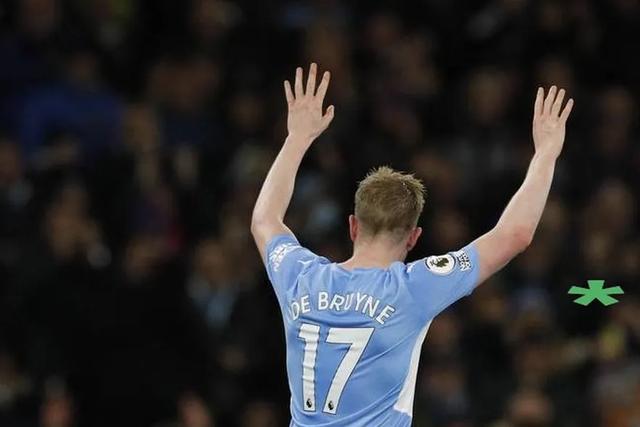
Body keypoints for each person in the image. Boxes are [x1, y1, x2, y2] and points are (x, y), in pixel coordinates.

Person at [250, 63, 573, 426]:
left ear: (353, 225)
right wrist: (546, 154)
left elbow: (264, 219)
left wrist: (297, 138)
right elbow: (515, 234)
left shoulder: (301, 278)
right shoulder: (412, 288)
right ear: (415, 237)